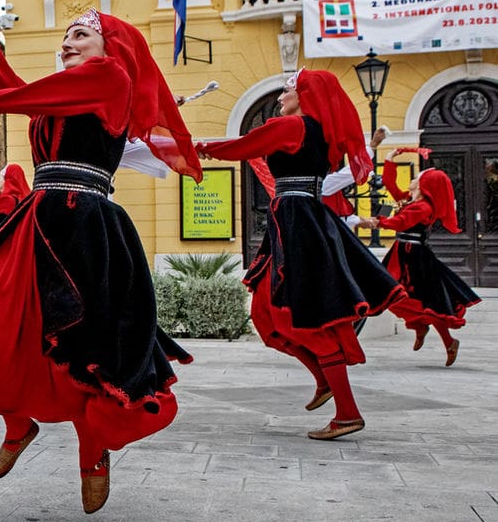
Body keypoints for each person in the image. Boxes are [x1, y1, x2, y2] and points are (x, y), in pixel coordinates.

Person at [0, 0, 202, 514]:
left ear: (110, 47)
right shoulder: (65, 91)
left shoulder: (109, 77)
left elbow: (11, 95)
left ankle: (93, 452)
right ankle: (19, 425)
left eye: (80, 34)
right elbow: (11, 85)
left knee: (88, 349)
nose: (67, 42)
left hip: (85, 223)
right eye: (66, 36)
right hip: (40, 218)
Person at [197, 69, 405, 441]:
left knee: (301, 316)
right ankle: (324, 380)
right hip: (297, 218)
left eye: (287, 90)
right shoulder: (318, 132)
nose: (280, 97)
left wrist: (201, 149)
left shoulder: (294, 126)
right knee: (265, 314)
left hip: (297, 222)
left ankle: (347, 412)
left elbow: (247, 145)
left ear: (304, 95)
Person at [357, 149, 480, 366]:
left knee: (424, 302)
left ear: (424, 185)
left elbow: (401, 222)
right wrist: (389, 159)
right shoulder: (410, 200)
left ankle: (446, 340)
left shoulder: (423, 207)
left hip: (414, 257)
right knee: (390, 294)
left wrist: (377, 222)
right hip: (401, 253)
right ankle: (421, 325)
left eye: (417, 178)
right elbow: (390, 184)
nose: (413, 180)